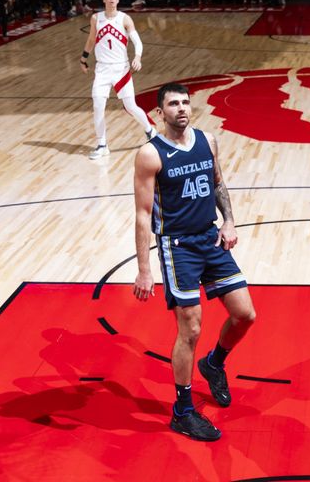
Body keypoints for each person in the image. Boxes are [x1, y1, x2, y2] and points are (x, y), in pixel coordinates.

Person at [133, 82, 257, 441]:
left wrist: (229, 220)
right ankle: (183, 412)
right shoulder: (150, 154)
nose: (182, 109)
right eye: (173, 104)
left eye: (186, 102)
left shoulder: (207, 141)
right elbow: (143, 215)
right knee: (190, 329)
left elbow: (218, 184)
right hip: (177, 246)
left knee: (245, 314)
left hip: (210, 237)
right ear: (160, 113)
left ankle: (214, 363)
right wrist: (144, 269)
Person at [79, 0, 155, 159]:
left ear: (118, 0)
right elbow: (91, 39)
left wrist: (138, 57)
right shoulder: (95, 18)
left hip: (121, 69)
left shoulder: (125, 19)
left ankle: (150, 131)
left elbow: (138, 42)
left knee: (131, 106)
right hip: (102, 69)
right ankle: (102, 144)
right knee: (98, 106)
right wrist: (83, 58)